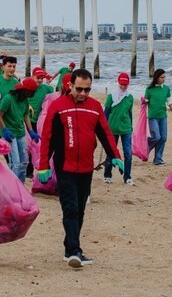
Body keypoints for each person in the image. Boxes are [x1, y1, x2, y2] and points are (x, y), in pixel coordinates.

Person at [37, 69, 124, 269]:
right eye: (79, 89)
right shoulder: (58, 106)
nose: (83, 93)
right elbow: (47, 138)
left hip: (86, 167)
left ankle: (69, 246)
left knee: (81, 208)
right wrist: (42, 166)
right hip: (64, 166)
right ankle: (74, 251)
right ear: (70, 86)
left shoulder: (94, 107)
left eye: (87, 90)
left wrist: (115, 156)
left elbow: (105, 133)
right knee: (70, 208)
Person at [0, 77, 40, 182]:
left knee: (24, 162)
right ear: (24, 91)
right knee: (15, 163)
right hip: (9, 134)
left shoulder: (25, 100)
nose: (31, 95)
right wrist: (5, 129)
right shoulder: (8, 99)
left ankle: (20, 186)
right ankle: (12, 187)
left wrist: (31, 131)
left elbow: (26, 116)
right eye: (31, 93)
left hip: (20, 133)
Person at [143, 68, 172, 166]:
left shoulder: (166, 89)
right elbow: (145, 103)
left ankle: (157, 159)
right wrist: (144, 103)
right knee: (156, 137)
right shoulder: (149, 89)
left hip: (163, 116)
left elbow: (170, 103)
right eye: (162, 77)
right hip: (153, 117)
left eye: (164, 77)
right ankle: (145, 148)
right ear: (156, 78)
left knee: (163, 138)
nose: (164, 79)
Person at [103, 72, 134, 185]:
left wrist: (131, 126)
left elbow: (129, 114)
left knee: (128, 154)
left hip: (126, 129)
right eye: (121, 84)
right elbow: (105, 113)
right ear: (118, 83)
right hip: (112, 128)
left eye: (125, 84)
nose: (123, 86)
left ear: (128, 84)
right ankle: (107, 175)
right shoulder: (111, 96)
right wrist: (103, 129)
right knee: (110, 152)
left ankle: (127, 177)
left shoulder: (130, 97)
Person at [0, 56, 19, 142]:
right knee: (0, 139)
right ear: (3, 67)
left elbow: (18, 101)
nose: (12, 69)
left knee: (9, 141)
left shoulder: (16, 83)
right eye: (9, 66)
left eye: (14, 66)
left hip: (10, 116)